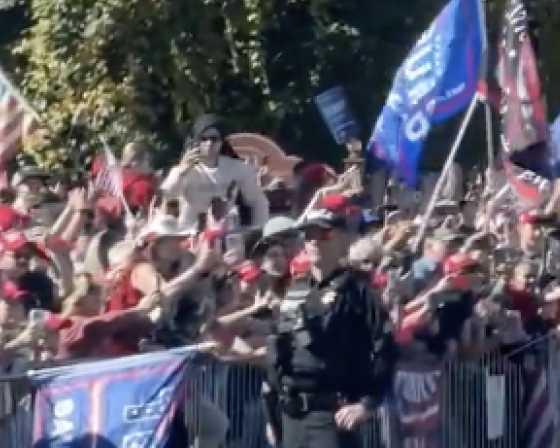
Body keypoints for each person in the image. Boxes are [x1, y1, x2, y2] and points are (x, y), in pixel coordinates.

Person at [265, 194, 398, 448]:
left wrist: (368, 402)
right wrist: (271, 414)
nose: (314, 241)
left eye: (323, 235)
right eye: (309, 235)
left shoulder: (358, 290)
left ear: (343, 239)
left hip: (331, 415)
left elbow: (385, 346)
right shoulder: (296, 289)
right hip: (291, 414)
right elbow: (279, 350)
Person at [160, 114, 270, 228]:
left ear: (221, 141)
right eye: (204, 139)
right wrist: (181, 172)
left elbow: (258, 201)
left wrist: (256, 231)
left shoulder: (236, 168)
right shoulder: (184, 170)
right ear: (196, 141)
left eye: (214, 139)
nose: (209, 144)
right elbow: (168, 196)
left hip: (226, 231)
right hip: (189, 232)